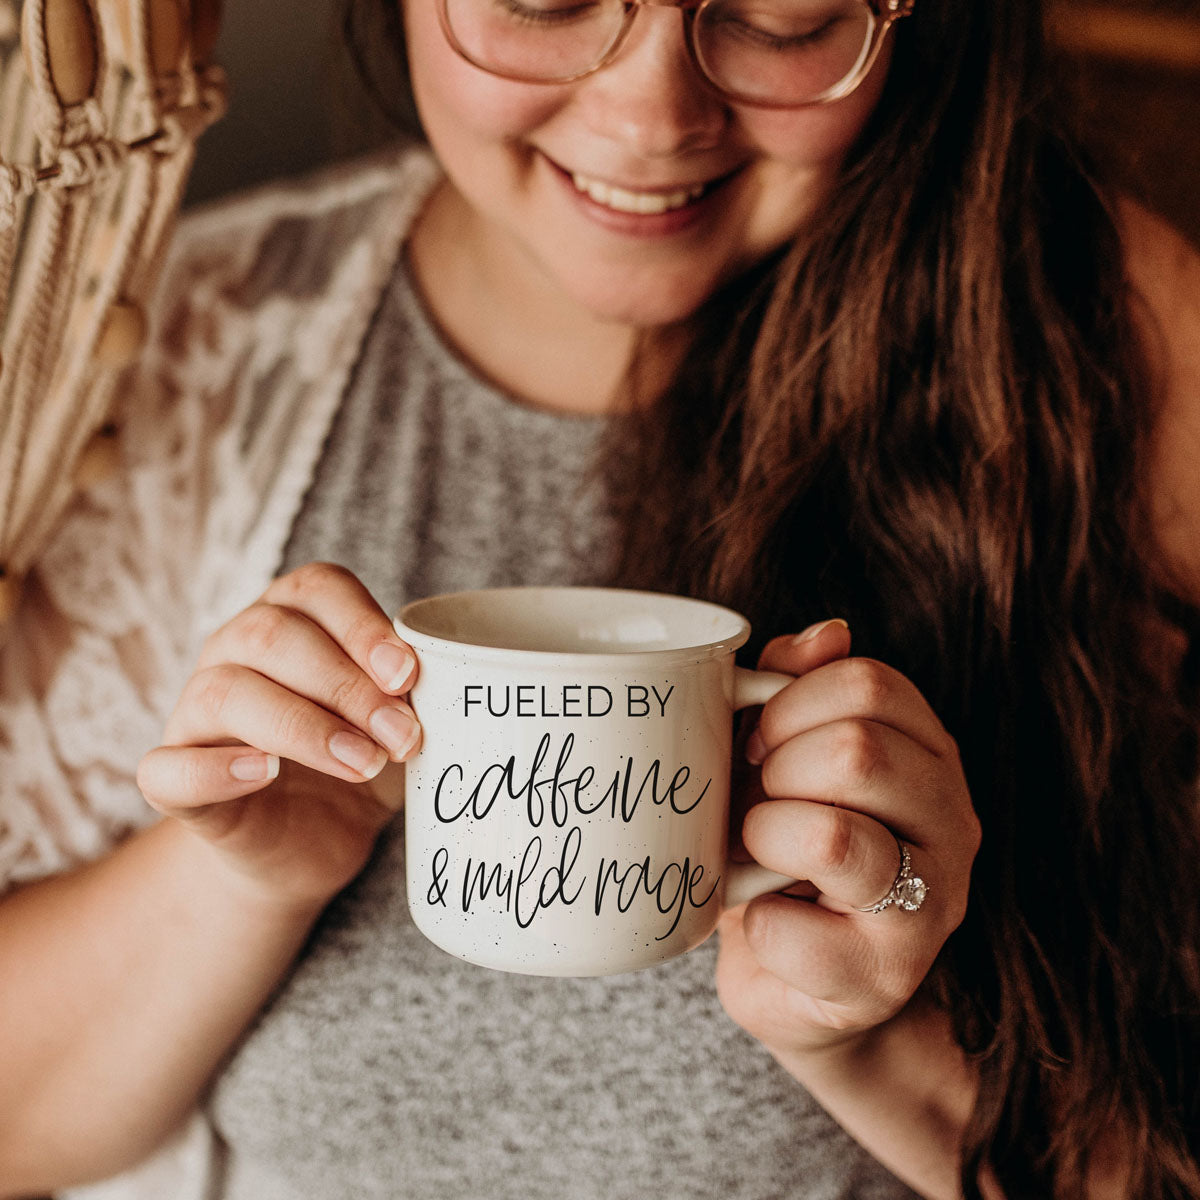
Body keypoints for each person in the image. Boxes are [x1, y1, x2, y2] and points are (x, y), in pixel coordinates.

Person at [1, 0, 1198, 1196]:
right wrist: (234, 879)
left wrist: (875, 1041)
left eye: (780, 13)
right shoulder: (165, 352)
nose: (651, 116)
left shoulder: (1116, 349)